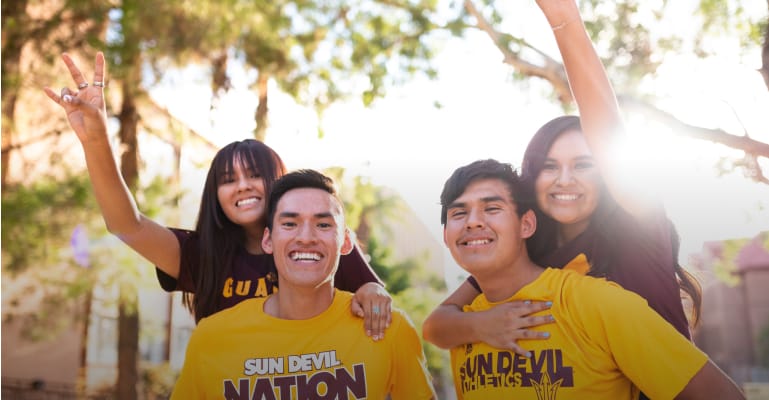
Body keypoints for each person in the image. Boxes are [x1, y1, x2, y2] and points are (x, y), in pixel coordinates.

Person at [43, 52, 392, 339]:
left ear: (279, 182)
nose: (242, 185)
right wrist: (96, 140)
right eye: (228, 179)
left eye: (255, 174)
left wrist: (374, 294)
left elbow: (375, 295)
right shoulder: (198, 253)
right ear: (215, 194)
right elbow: (126, 225)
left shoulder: (313, 243)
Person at [423, 0, 699, 355]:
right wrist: (481, 324)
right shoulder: (529, 253)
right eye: (549, 167)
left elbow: (607, 131)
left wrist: (563, 17)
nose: (564, 179)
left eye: (583, 165)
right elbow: (436, 326)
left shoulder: (638, 229)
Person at [439, 158, 744, 399]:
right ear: (446, 234)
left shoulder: (596, 302)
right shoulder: (463, 327)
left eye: (492, 208)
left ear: (526, 224)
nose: (474, 222)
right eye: (458, 214)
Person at [170, 170, 436, 399]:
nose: (306, 237)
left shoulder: (385, 328)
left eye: (322, 224)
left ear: (345, 242)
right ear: (268, 240)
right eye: (289, 223)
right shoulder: (211, 338)